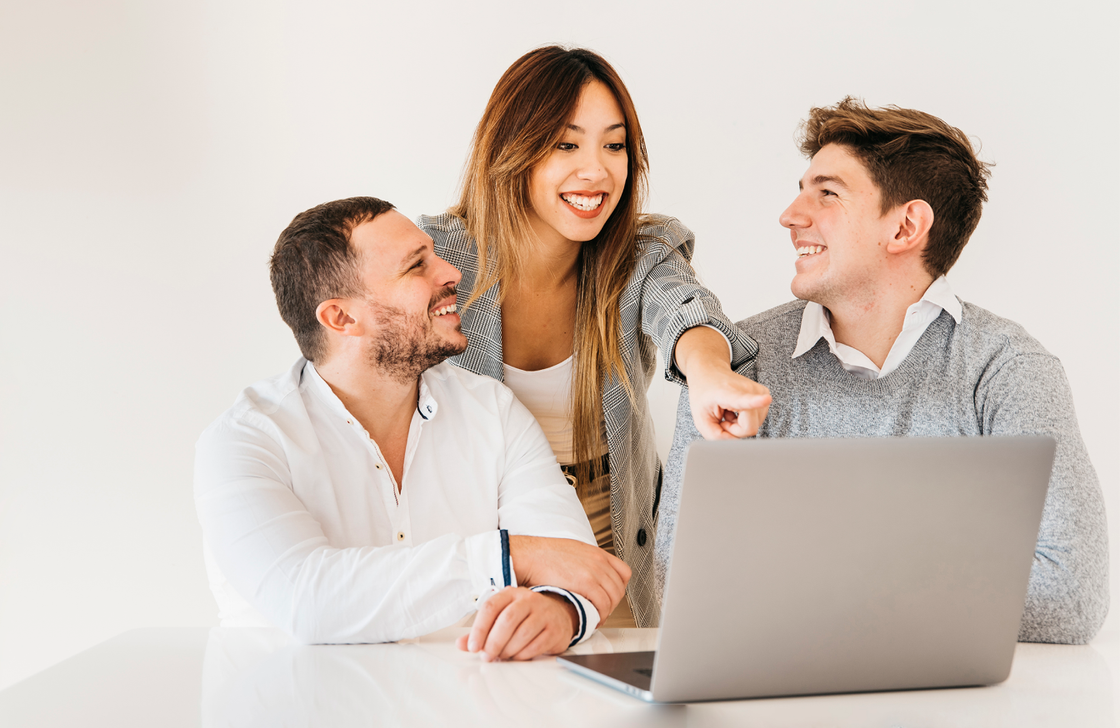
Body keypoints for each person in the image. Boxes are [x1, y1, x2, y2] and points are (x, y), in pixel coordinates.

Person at [654, 98, 1109, 644]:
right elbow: (684, 580)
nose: (791, 215)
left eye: (826, 193)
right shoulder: (731, 364)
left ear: (905, 227)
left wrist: (801, 576)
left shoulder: (1006, 371)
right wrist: (947, 572)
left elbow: (1072, 593)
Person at [419, 46, 768, 627]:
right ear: (512, 149)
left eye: (614, 144)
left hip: (608, 549)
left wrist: (709, 374)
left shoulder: (637, 255)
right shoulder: (438, 257)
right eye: (566, 144)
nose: (597, 170)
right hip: (484, 548)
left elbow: (685, 311)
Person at [195, 196, 631, 661]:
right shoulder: (246, 440)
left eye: (434, 255)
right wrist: (507, 558)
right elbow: (305, 598)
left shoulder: (492, 410)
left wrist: (557, 611)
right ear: (341, 318)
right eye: (416, 266)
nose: (451, 273)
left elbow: (576, 565)